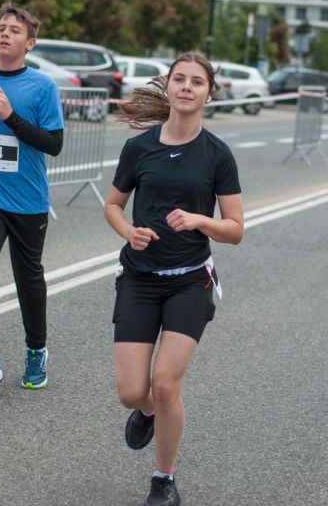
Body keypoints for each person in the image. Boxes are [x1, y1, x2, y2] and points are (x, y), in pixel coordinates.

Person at [104, 51, 244, 506]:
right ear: (167, 87)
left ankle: (163, 479)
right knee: (132, 393)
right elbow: (112, 205)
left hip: (189, 281)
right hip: (140, 279)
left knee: (165, 385)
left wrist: (201, 221)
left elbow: (236, 229)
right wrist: (129, 231)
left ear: (208, 93)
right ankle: (145, 410)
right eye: (179, 79)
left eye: (196, 82)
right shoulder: (139, 148)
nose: (186, 87)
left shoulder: (217, 155)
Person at [0, 2, 64, 398]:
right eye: (1, 27)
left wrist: (10, 119)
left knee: (28, 278)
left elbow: (53, 144)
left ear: (30, 43)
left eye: (14, 30)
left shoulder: (42, 87)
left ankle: (37, 350)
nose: (5, 33)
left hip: (29, 200)